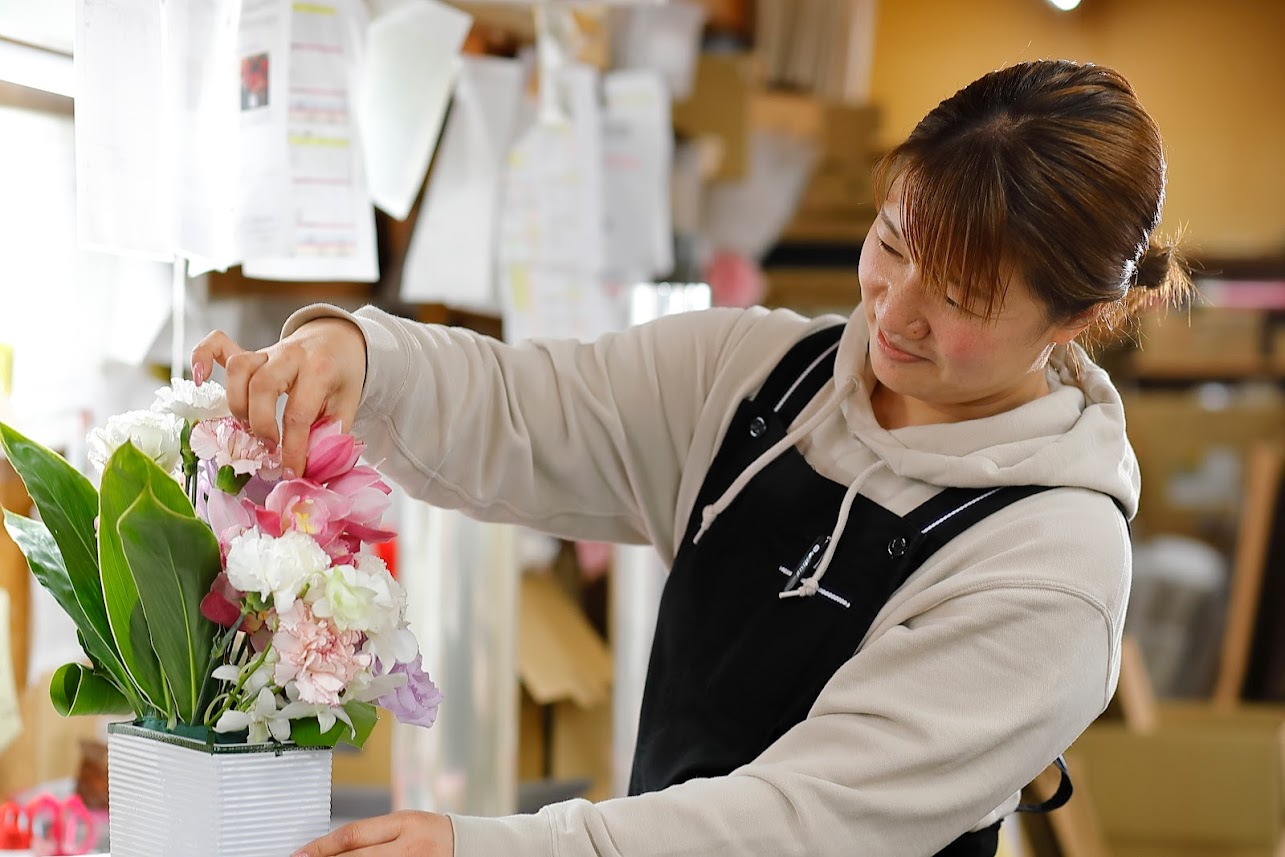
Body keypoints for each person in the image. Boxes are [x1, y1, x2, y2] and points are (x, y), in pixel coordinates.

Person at [193, 59, 1190, 857]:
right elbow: (525, 409)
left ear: (1081, 316)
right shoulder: (755, 374)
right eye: (890, 245)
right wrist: (360, 358)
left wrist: (490, 847)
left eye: (962, 299)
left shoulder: (1052, 568)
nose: (893, 309)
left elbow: (799, 823)